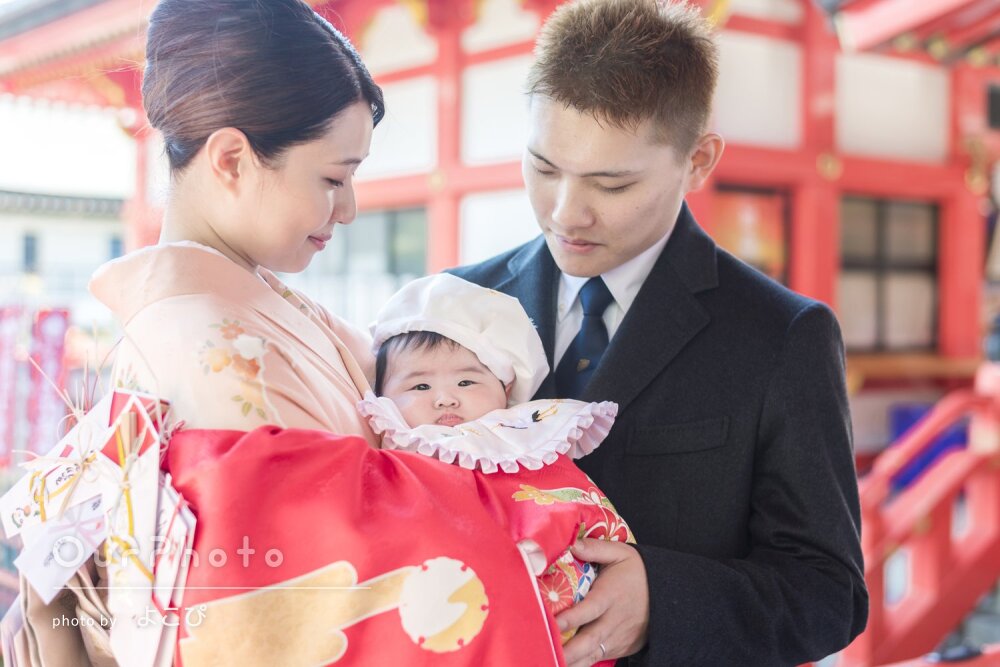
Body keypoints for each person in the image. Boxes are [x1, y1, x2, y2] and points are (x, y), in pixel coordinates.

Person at [7, 2, 580, 665]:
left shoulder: (257, 310)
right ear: (231, 159)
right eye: (334, 177)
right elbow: (324, 589)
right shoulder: (209, 352)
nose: (351, 206)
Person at [450, 0, 868, 665]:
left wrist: (662, 600)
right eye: (544, 167)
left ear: (698, 161)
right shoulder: (456, 304)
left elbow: (829, 592)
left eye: (611, 183)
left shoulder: (782, 335)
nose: (565, 213)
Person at [357, 274, 631, 657]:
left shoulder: (522, 440)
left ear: (505, 389)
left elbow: (566, 495)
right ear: (382, 395)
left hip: (554, 613)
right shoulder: (391, 448)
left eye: (467, 383)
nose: (445, 400)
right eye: (419, 387)